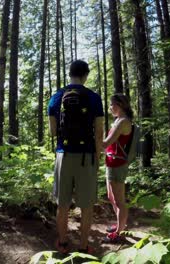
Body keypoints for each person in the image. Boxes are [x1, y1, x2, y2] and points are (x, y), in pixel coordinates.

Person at [48, 60, 104, 254]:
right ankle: (83, 246)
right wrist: (98, 157)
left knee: (62, 204)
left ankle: (63, 243)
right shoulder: (94, 98)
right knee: (87, 205)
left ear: (69, 73)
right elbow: (98, 133)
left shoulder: (56, 97)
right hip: (86, 156)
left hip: (63, 155)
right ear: (85, 75)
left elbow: (53, 132)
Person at [102, 94, 134, 243]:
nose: (110, 107)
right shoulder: (117, 121)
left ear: (120, 105)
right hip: (111, 162)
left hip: (117, 164)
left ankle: (119, 233)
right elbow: (109, 146)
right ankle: (119, 225)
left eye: (112, 104)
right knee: (111, 197)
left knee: (119, 200)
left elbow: (105, 142)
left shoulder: (123, 122)